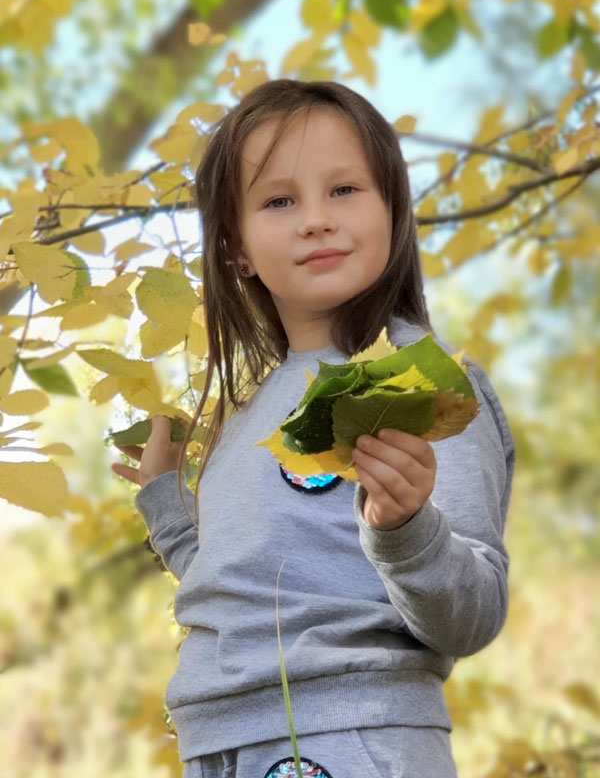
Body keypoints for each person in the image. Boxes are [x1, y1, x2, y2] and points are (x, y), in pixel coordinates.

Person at [112, 79, 515, 778]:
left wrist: (406, 527)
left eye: (344, 190)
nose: (315, 220)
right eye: (278, 200)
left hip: (353, 735)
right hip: (219, 739)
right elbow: (246, 585)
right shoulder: (250, 414)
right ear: (236, 245)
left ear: (394, 209)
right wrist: (165, 501)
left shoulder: (421, 384)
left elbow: (471, 615)